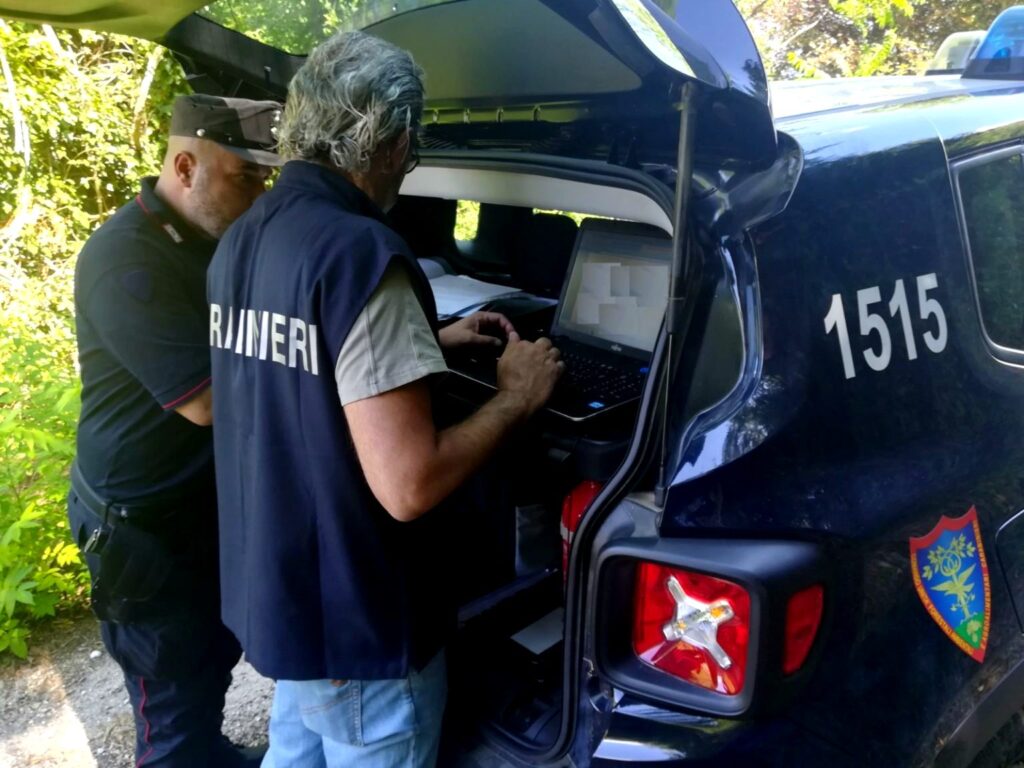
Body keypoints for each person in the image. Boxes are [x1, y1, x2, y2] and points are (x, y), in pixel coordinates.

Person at [207, 30, 563, 768]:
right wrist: (516, 399)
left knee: (296, 753)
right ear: (396, 142)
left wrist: (424, 338)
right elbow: (409, 484)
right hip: (360, 627)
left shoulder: (246, 237)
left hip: (285, 595)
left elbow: (299, 371)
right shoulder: (361, 256)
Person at [67, 93, 283, 767]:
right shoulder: (125, 259)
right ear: (185, 166)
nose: (261, 192)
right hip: (142, 527)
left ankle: (207, 752)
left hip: (191, 513)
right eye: (245, 176)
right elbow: (209, 400)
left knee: (206, 660)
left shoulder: (203, 240)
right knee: (171, 700)